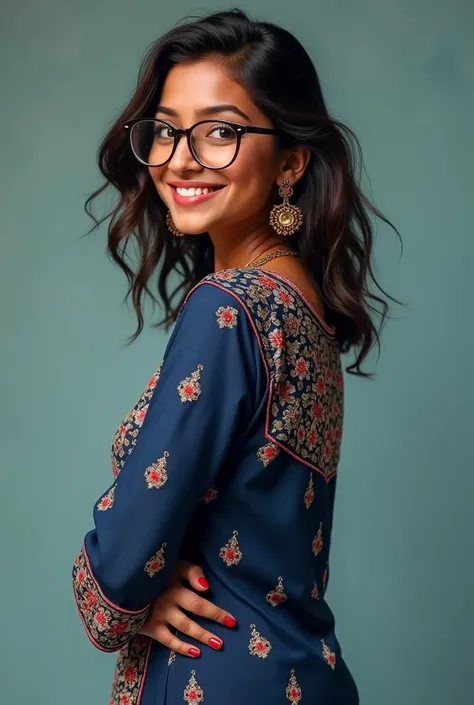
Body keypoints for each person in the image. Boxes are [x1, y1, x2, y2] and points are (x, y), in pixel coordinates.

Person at [72, 9, 396, 705]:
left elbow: (123, 564)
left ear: (291, 161)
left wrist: (120, 589)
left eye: (220, 130)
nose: (181, 156)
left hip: (216, 677)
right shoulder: (301, 307)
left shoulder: (228, 308)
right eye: (165, 128)